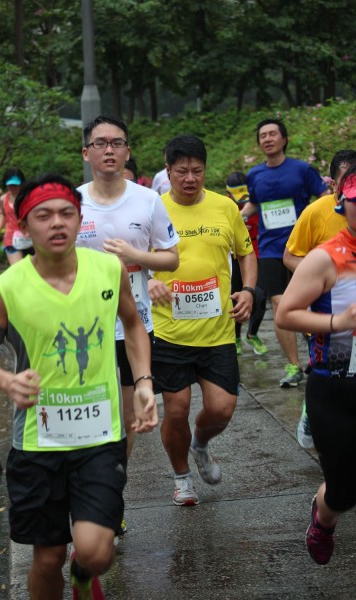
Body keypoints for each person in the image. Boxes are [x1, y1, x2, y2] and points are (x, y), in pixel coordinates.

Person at [0, 173, 158, 600]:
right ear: (23, 225)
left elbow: (133, 323)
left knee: (96, 551)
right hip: (38, 442)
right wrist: (8, 381)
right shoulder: (7, 288)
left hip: (100, 437)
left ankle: (84, 574)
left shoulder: (108, 269)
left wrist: (144, 381)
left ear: (78, 218)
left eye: (67, 213)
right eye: (44, 215)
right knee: (48, 555)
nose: (57, 222)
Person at [150, 134, 257, 506]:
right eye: (182, 171)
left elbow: (246, 252)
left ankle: (200, 443)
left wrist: (249, 290)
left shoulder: (224, 207)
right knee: (176, 408)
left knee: (222, 409)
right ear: (168, 171)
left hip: (217, 331)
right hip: (169, 331)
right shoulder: (153, 209)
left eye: (197, 171)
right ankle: (182, 478)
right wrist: (148, 283)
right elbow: (133, 261)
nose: (190, 178)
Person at [76, 114, 179, 462]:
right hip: (85, 326)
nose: (109, 150)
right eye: (100, 143)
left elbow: (171, 258)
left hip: (134, 324)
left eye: (116, 143)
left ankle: (114, 486)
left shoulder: (148, 200)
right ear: (86, 153)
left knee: (126, 418)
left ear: (127, 152)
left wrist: (136, 257)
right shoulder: (73, 203)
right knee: (90, 415)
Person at [276, 165, 356, 566]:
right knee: (344, 491)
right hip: (335, 386)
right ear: (343, 203)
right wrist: (339, 322)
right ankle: (324, 518)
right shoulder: (325, 258)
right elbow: (285, 314)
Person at [241, 118, 328, 387]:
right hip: (269, 249)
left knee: (309, 303)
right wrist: (236, 218)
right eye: (262, 135)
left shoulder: (302, 170)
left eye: (272, 134)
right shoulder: (255, 174)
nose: (267, 139)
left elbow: (325, 197)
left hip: (302, 248)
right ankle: (294, 366)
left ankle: (317, 356)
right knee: (280, 304)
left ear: (284, 139)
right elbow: (254, 203)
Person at [283, 149, 356, 449]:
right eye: (344, 186)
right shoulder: (315, 212)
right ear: (334, 186)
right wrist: (323, 280)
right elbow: (290, 256)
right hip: (328, 317)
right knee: (329, 369)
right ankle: (311, 412)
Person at [226, 171, 268, 356]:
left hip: (257, 254)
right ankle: (235, 338)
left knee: (260, 295)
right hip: (235, 257)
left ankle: (252, 334)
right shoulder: (225, 206)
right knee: (235, 295)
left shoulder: (256, 203)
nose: (242, 200)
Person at [0, 167, 34, 265]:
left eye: (16, 185)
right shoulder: (3, 199)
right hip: (11, 238)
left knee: (33, 268)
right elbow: (3, 214)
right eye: (10, 185)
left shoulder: (29, 197)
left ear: (21, 183)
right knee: (17, 268)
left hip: (30, 236)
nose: (13, 188)